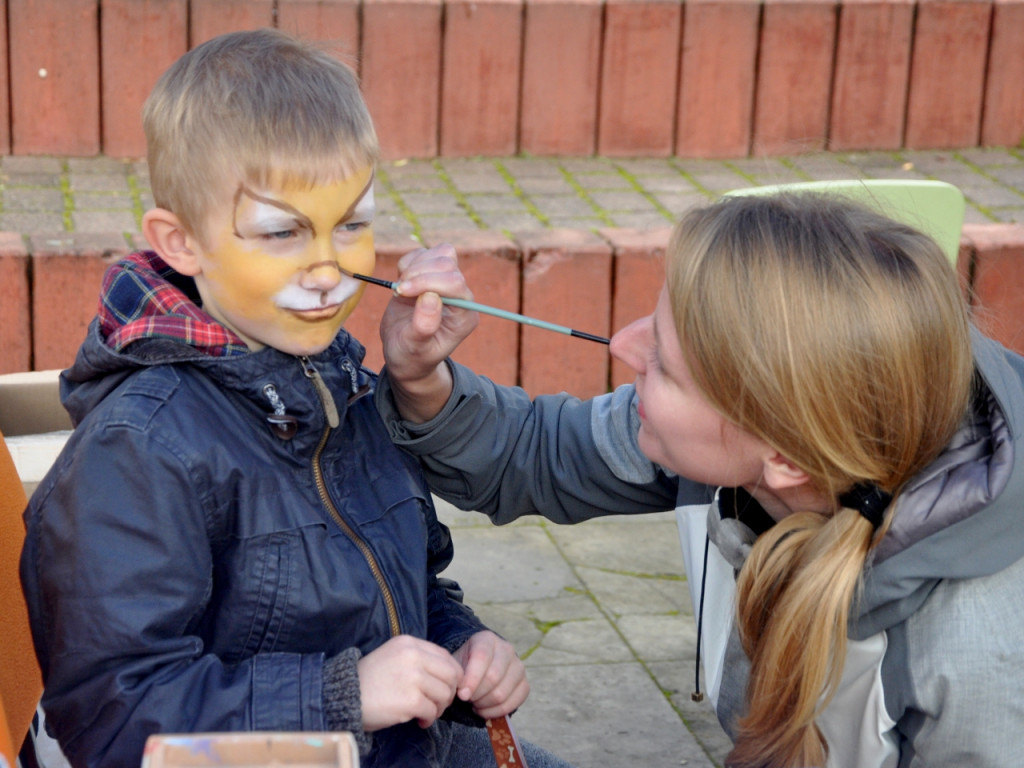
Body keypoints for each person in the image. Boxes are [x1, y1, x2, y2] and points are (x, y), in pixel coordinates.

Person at [19, 29, 573, 768]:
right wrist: (343, 696)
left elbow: (403, 579)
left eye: (352, 224)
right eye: (283, 232)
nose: (326, 268)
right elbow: (114, 723)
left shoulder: (336, 380)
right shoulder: (140, 450)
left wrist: (461, 644)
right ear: (180, 242)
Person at [373, 192, 1024, 768]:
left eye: (662, 363)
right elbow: (537, 453)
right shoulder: (800, 420)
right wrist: (422, 381)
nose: (621, 346)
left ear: (786, 462)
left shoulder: (975, 666)